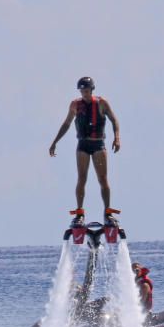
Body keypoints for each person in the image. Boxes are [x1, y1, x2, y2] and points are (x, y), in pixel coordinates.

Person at [49, 76, 121, 226]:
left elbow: (114, 120)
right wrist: (55, 142)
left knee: (103, 179)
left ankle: (107, 213)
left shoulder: (102, 103)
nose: (84, 94)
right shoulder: (75, 104)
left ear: (92, 90)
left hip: (98, 145)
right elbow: (66, 124)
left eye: (87, 91)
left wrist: (117, 138)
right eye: (82, 91)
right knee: (82, 178)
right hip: (82, 145)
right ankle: (80, 213)